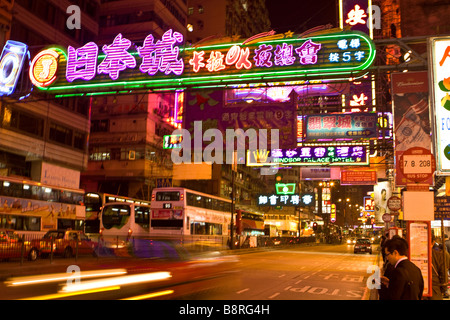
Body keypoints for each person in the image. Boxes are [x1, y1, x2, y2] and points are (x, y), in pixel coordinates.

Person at [427, 235, 450, 300]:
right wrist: (443, 289)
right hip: (435, 291)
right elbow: (443, 274)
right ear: (433, 242)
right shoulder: (438, 255)